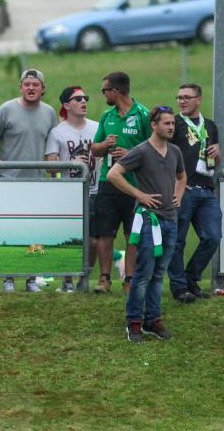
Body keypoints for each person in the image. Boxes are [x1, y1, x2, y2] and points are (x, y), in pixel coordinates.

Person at [106, 106, 185, 343]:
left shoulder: (175, 151)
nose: (171, 127)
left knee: (159, 274)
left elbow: (181, 177)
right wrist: (139, 195)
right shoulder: (141, 151)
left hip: (170, 219)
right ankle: (134, 323)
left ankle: (153, 320)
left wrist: (178, 195)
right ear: (154, 125)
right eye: (166, 123)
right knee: (143, 274)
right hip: (150, 221)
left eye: (172, 123)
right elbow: (113, 174)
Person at [89, 71, 148, 293]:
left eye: (104, 90)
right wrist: (104, 145)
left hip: (135, 184)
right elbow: (94, 149)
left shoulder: (142, 115)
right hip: (107, 181)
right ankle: (104, 278)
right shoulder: (107, 116)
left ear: (116, 91)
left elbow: (154, 148)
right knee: (105, 232)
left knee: (131, 233)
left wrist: (131, 152)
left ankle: (129, 279)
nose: (103, 94)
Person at [167, 83, 222, 301]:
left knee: (212, 236)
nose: (182, 101)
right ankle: (179, 287)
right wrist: (174, 181)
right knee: (177, 240)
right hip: (184, 189)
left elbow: (215, 162)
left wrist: (217, 155)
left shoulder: (210, 125)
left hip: (206, 188)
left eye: (187, 97)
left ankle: (191, 277)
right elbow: (164, 154)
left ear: (198, 99)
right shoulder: (174, 124)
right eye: (179, 97)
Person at [45, 85, 97, 291]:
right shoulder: (57, 132)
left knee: (93, 240)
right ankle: (66, 280)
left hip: (95, 189)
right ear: (66, 105)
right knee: (70, 239)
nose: (84, 102)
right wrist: (71, 162)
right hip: (70, 192)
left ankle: (85, 277)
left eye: (85, 98)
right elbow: (50, 167)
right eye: (78, 99)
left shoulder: (97, 127)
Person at [0, 69, 59, 180]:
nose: (31, 88)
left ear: (43, 89)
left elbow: (53, 147)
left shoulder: (49, 112)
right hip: (7, 179)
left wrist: (55, 178)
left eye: (36, 85)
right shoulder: (5, 109)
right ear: (21, 88)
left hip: (37, 180)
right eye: (26, 84)